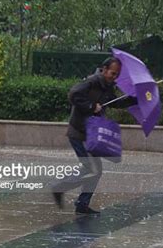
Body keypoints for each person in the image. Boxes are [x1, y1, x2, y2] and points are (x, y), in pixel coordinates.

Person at [52, 57, 137, 215]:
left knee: (95, 170)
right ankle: (60, 188)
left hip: (91, 134)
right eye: (112, 73)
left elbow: (114, 102)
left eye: (117, 74)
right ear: (104, 69)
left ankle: (82, 204)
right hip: (78, 132)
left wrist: (134, 100)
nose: (114, 77)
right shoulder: (92, 81)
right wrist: (91, 106)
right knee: (91, 168)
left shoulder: (107, 86)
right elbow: (73, 94)